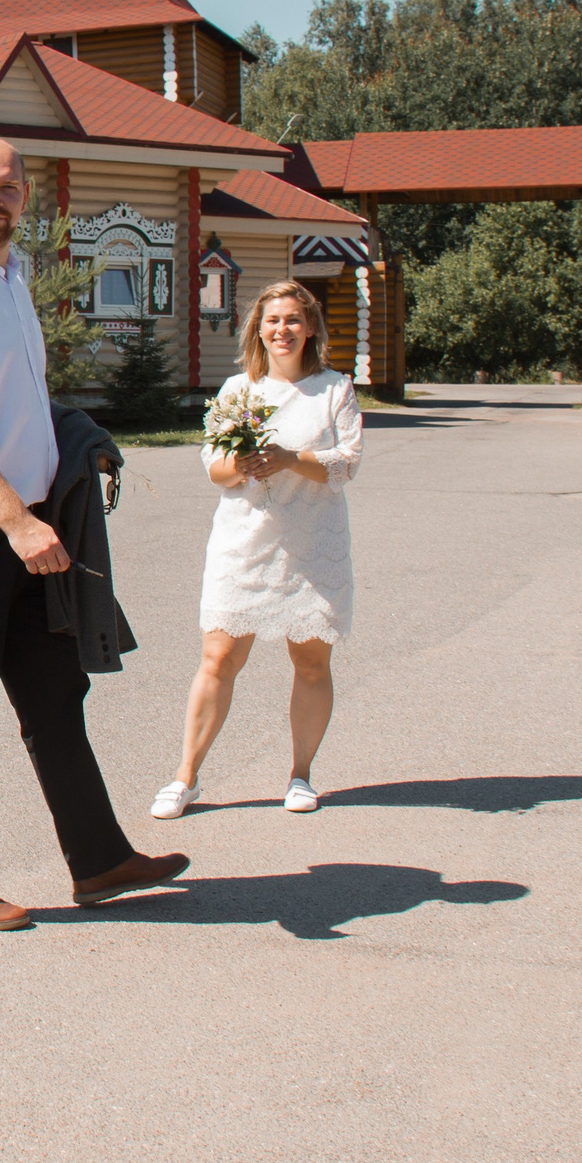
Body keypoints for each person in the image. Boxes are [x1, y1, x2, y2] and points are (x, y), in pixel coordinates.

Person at [0, 135, 190, 931]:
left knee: (56, 694)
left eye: (10, 188)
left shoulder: (12, 279)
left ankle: (97, 859)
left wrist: (60, 466)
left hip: (26, 521)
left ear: (27, 199)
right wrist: (17, 522)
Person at [153, 280, 364, 821]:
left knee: (311, 660)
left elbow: (347, 464)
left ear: (311, 327)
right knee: (218, 656)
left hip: (314, 544)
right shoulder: (237, 391)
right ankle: (185, 777)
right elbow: (215, 469)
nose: (283, 330)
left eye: (294, 319)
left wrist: (291, 458)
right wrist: (245, 461)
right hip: (245, 543)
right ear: (259, 330)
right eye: (273, 321)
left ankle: (300, 775)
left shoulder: (335, 389)